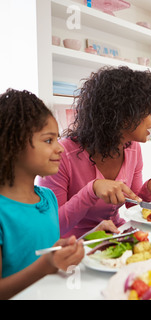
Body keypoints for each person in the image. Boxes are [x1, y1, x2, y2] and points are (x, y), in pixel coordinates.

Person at [38, 66, 151, 239]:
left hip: (116, 235)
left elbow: (132, 203)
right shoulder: (62, 155)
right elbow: (51, 226)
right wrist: (90, 191)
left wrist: (148, 188)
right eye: (148, 111)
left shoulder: (132, 148)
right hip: (75, 247)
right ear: (122, 116)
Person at [0, 89, 84, 299]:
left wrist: (94, 236)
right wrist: (45, 266)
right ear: (15, 143)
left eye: (57, 139)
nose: (60, 149)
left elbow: (51, 253)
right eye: (48, 141)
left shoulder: (48, 198)